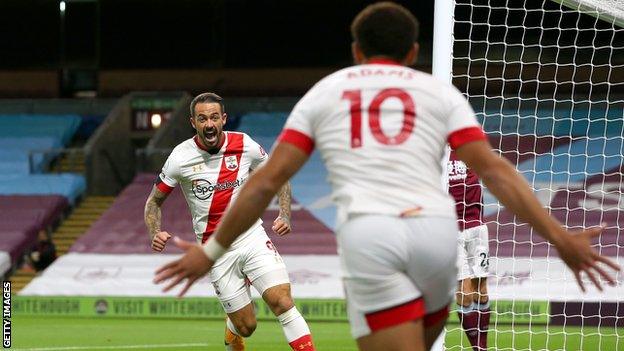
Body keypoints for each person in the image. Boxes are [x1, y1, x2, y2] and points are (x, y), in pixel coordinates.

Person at [153, 3, 620, 351]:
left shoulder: (327, 93)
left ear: (356, 50)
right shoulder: (440, 94)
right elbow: (495, 171)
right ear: (414, 51)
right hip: (437, 234)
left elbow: (264, 182)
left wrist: (209, 251)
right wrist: (559, 238)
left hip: (372, 235)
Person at [144, 92, 316, 351]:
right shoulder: (180, 157)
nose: (209, 124)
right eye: (202, 119)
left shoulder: (245, 145)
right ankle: (232, 330)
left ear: (223, 119)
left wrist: (285, 214)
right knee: (247, 326)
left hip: (251, 237)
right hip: (215, 250)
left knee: (282, 302)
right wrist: (154, 231)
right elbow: (154, 201)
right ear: (193, 122)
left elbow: (278, 175)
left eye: (214, 117)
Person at [448, 149, 490, 351]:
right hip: (449, 229)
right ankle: (477, 347)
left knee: (481, 288)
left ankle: (483, 344)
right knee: (464, 292)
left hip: (476, 227)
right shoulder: (434, 153)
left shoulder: (467, 148)